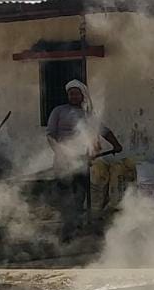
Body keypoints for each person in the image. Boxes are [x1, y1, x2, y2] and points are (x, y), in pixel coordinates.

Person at [45, 79, 122, 222]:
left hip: (82, 160)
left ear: (82, 96)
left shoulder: (88, 115)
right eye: (70, 94)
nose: (73, 96)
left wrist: (116, 145)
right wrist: (59, 151)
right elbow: (50, 135)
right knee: (64, 192)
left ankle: (77, 223)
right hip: (63, 160)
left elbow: (104, 131)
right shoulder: (58, 111)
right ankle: (66, 223)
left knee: (80, 192)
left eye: (76, 94)